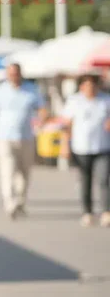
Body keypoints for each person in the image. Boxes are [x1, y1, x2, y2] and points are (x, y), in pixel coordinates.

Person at [0, 62, 47, 220]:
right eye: (10, 73)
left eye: (15, 73)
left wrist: (42, 120)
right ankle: (9, 203)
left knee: (24, 173)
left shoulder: (31, 89)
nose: (13, 76)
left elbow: (42, 109)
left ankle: (20, 201)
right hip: (4, 138)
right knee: (7, 171)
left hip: (26, 138)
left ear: (20, 74)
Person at [59, 74, 110, 227]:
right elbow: (65, 125)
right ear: (81, 87)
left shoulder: (106, 100)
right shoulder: (75, 101)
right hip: (81, 148)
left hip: (103, 147)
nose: (90, 88)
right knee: (85, 181)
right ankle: (87, 212)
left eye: (93, 85)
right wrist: (64, 145)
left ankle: (106, 211)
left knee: (103, 180)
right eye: (87, 85)